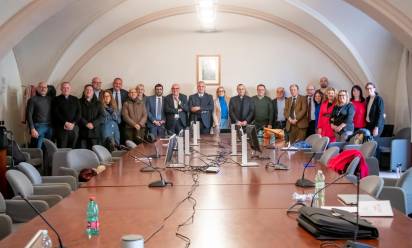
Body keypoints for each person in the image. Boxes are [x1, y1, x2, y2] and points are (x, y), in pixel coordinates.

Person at [52, 82, 81, 148]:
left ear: (70, 89)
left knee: (72, 148)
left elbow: (79, 113)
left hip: (73, 128)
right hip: (61, 128)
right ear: (61, 89)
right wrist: (65, 123)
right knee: (62, 148)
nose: (66, 89)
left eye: (67, 88)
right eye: (64, 88)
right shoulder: (56, 99)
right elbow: (56, 113)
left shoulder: (75, 99)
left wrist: (73, 123)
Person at [26, 81, 53, 148]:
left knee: (48, 147)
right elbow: (29, 115)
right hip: (38, 126)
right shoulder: (32, 99)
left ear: (47, 89)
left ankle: (46, 159)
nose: (43, 89)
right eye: (41, 87)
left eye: (45, 87)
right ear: (37, 88)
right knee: (38, 147)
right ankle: (38, 159)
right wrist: (32, 128)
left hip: (50, 127)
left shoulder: (51, 99)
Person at [78, 84, 104, 149]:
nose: (88, 91)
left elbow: (102, 116)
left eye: (90, 90)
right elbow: (78, 115)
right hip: (83, 131)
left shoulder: (98, 103)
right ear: (84, 91)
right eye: (87, 89)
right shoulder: (78, 102)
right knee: (83, 154)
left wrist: (93, 124)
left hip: (95, 132)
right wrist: (86, 123)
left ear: (93, 92)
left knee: (94, 153)